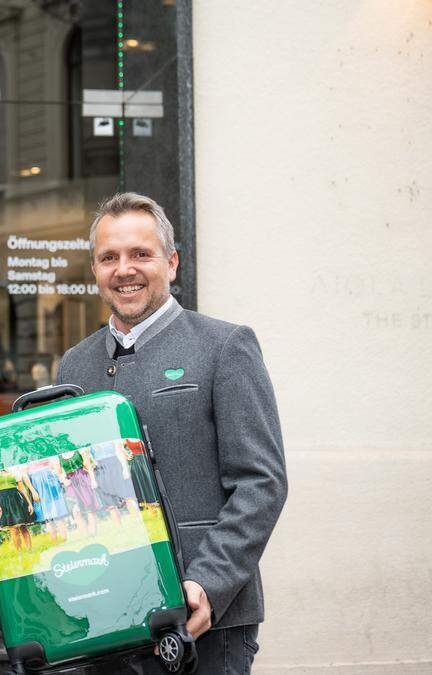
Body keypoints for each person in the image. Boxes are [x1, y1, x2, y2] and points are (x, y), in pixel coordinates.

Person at [58, 192, 288, 674]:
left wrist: (208, 582)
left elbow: (261, 483)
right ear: (96, 270)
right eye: (109, 257)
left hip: (204, 620)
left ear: (172, 262)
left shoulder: (225, 346)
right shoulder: (74, 365)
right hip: (107, 621)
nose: (125, 269)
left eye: (141, 254)